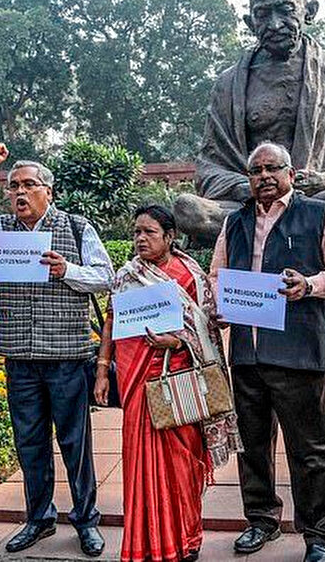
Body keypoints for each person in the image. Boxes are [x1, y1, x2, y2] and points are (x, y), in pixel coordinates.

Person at [0, 143, 114, 557]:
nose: (20, 193)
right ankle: (38, 519)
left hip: (66, 355)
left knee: (75, 443)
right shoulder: (1, 229)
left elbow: (106, 276)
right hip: (20, 356)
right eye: (13, 186)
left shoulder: (77, 227)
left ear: (49, 191)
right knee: (29, 443)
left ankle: (85, 520)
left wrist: (67, 270)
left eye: (29, 185)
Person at [211, 142, 325, 562]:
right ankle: (261, 520)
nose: (263, 176)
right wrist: (218, 307)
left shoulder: (320, 214)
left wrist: (310, 285)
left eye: (271, 168)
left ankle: (319, 534)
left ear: (291, 173)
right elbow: (218, 275)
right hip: (246, 354)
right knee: (252, 446)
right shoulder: (234, 222)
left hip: (299, 354)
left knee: (310, 449)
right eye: (255, 170)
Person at [174, 0, 325, 244]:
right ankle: (302, 225)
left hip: (315, 196)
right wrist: (248, 187)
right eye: (263, 14)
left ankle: (274, 227)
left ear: (309, 11)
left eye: (285, 10)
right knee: (187, 209)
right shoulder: (228, 84)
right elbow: (209, 167)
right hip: (253, 203)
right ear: (250, 22)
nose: (275, 24)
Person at [94, 205, 242, 562]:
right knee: (140, 466)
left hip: (180, 387)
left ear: (170, 237)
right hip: (137, 385)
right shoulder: (127, 274)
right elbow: (113, 322)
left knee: (181, 467)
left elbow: (206, 330)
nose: (140, 239)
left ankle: (185, 540)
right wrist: (102, 370)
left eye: (149, 232)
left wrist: (176, 342)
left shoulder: (190, 274)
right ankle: (146, 544)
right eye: (136, 232)